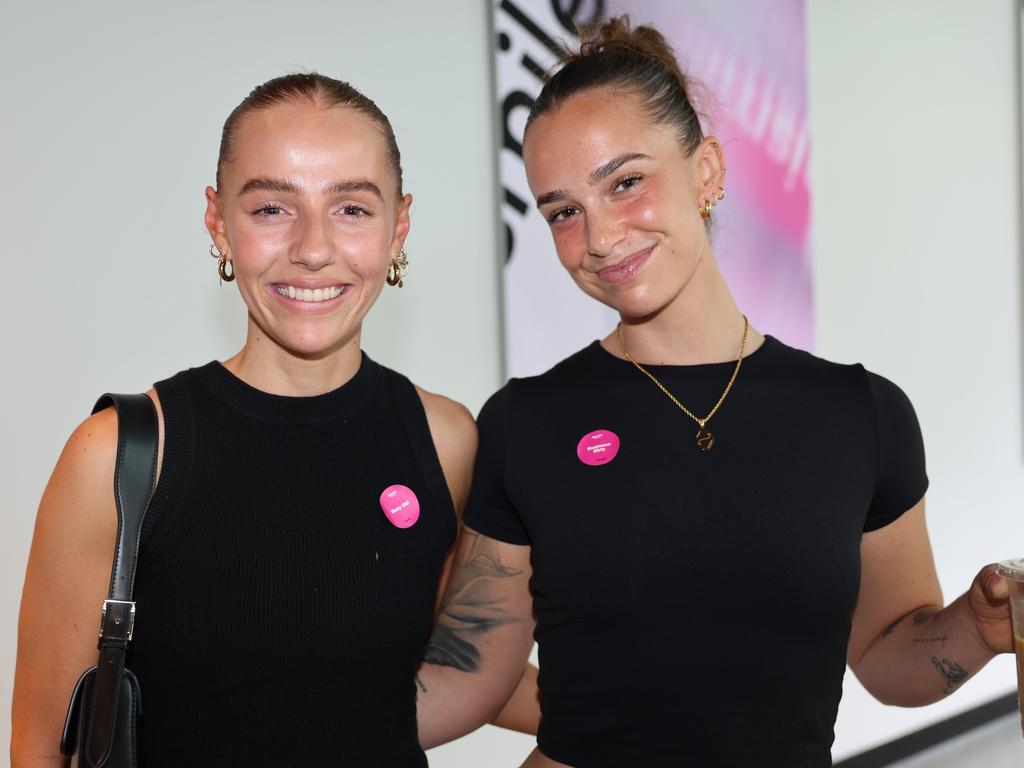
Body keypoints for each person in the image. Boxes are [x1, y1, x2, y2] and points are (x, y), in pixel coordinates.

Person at [418, 17, 1015, 768]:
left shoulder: (860, 415)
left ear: (707, 173)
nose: (598, 237)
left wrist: (977, 629)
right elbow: (469, 671)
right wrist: (280, 711)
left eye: (626, 182)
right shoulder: (525, 424)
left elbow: (887, 655)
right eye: (563, 211)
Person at [11, 73, 534, 767]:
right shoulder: (120, 456)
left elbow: (468, 670)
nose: (313, 248)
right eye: (269, 210)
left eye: (351, 208)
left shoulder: (447, 441)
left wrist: (668, 708)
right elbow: (40, 746)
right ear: (217, 220)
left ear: (399, 225)